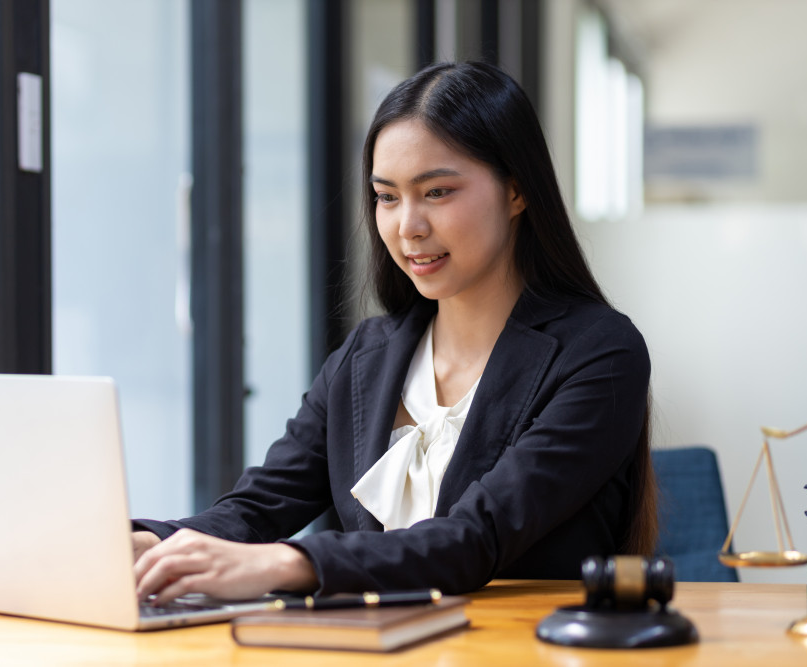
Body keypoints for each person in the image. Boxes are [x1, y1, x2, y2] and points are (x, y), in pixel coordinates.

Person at [131, 61, 656, 605]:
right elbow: (260, 506)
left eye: (437, 192)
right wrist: (151, 543)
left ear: (517, 191)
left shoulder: (599, 353)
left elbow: (475, 539)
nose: (408, 226)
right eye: (387, 197)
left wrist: (287, 562)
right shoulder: (367, 356)